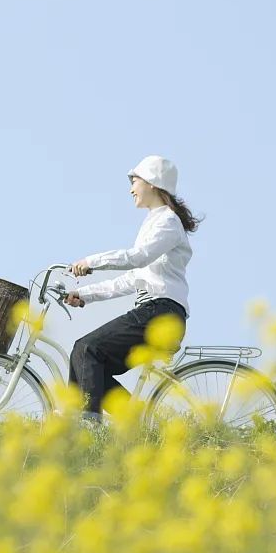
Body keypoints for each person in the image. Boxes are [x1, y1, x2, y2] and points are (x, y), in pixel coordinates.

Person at [64, 155, 202, 419]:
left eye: (134, 181)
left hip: (160, 312)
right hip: (155, 311)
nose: (131, 189)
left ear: (153, 183)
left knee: (86, 349)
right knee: (90, 363)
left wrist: (90, 262)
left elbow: (137, 257)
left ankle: (87, 427)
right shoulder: (154, 222)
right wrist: (84, 295)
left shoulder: (168, 222)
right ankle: (137, 424)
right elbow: (132, 279)